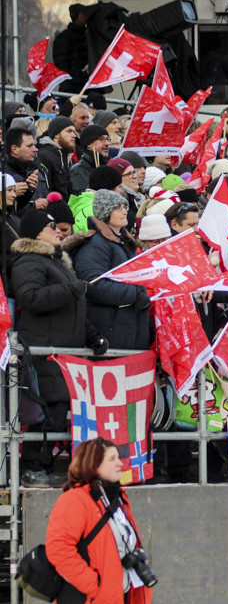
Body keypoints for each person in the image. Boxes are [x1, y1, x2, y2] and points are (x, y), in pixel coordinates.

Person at [12, 209, 108, 487]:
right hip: (45, 350)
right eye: (52, 226)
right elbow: (30, 298)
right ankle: (32, 469)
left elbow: (72, 310)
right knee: (47, 412)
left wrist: (94, 336)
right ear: (37, 233)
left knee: (56, 411)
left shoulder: (55, 262)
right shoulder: (29, 261)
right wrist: (71, 290)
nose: (59, 230)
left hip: (62, 352)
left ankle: (40, 466)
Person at [45, 437, 153, 604]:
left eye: (119, 458)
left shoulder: (116, 498)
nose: (120, 464)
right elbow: (59, 550)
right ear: (92, 465)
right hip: (90, 602)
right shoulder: (75, 500)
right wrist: (96, 586)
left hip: (113, 599)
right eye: (112, 459)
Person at [69, 190, 152, 351]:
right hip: (111, 332)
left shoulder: (124, 243)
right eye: (118, 208)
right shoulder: (95, 245)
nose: (125, 211)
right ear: (105, 212)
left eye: (125, 207)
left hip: (129, 330)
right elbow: (94, 285)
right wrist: (135, 295)